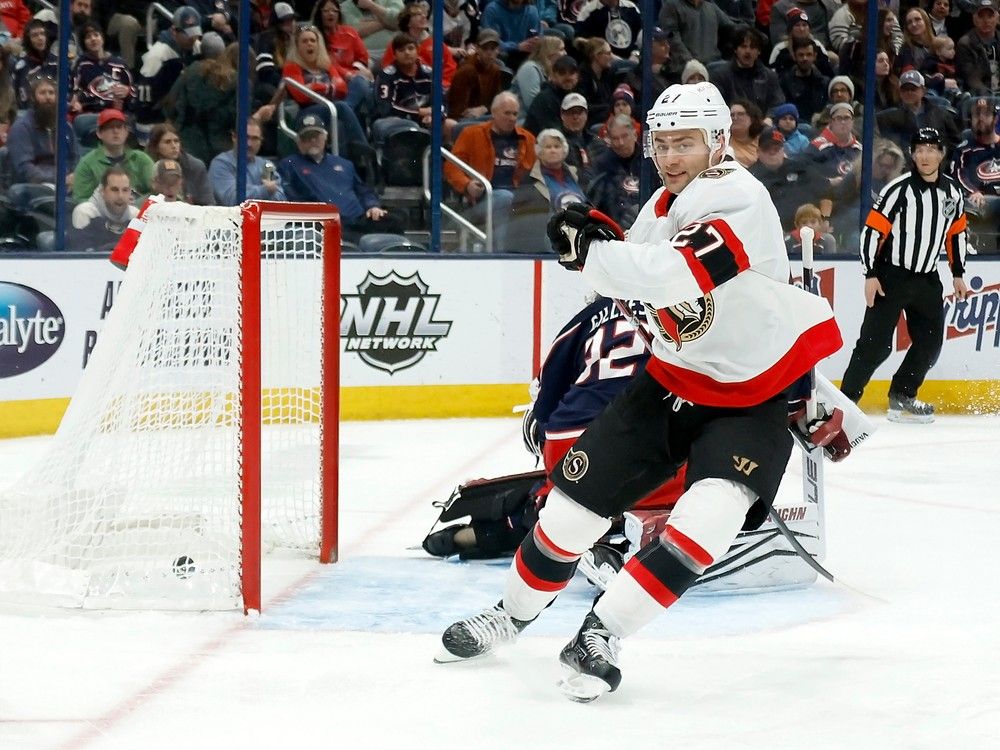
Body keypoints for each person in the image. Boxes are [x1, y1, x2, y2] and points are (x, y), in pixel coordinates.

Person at [436, 82, 842, 702]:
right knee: (567, 515)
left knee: (708, 522)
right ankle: (510, 616)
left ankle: (601, 634)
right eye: (663, 144)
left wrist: (592, 254)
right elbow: (639, 283)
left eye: (686, 143)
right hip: (669, 384)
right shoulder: (659, 205)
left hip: (750, 396)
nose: (671, 156)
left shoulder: (740, 197)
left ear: (716, 143)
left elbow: (674, 274)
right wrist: (600, 240)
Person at [839, 128, 970, 423]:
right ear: (912, 154)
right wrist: (870, 273)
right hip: (891, 276)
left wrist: (958, 273)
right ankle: (845, 402)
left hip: (927, 278)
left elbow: (956, 234)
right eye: (919, 149)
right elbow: (872, 232)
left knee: (930, 342)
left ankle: (903, 394)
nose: (924, 155)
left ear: (941, 154)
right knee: (874, 345)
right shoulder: (898, 190)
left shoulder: (952, 193)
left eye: (931, 149)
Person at [278, 112, 406, 243]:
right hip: (323, 223)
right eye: (307, 137)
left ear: (325, 137)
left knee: (396, 220)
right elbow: (289, 196)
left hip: (357, 220)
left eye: (316, 136)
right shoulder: (289, 165)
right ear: (298, 141)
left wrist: (372, 206)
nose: (312, 141)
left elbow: (363, 191)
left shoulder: (345, 164)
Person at [444, 91, 536, 252]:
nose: (512, 118)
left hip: (519, 199)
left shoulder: (527, 139)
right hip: (483, 199)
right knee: (505, 198)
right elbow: (452, 166)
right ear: (493, 113)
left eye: (515, 114)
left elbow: (536, 171)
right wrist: (467, 185)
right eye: (507, 113)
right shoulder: (472, 134)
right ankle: (501, 255)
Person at [949, 98, 1000, 253]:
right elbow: (958, 175)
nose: (980, 119)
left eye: (985, 114)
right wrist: (974, 191)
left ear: (995, 118)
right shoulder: (964, 150)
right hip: (980, 203)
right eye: (976, 115)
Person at [72, 109, 154, 203]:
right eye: (109, 127)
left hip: (137, 211)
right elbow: (80, 199)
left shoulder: (142, 159)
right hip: (101, 214)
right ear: (99, 133)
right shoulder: (87, 163)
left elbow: (157, 189)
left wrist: (136, 204)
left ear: (126, 132)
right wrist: (108, 203)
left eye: (119, 127)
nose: (115, 131)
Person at [208, 118, 286, 205]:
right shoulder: (221, 164)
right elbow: (232, 199)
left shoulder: (266, 165)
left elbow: (281, 200)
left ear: (261, 141)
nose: (249, 144)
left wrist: (256, 191)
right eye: (245, 137)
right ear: (234, 137)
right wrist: (265, 190)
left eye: (255, 138)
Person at [585, 113, 641, 228]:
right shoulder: (601, 165)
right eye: (615, 138)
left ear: (635, 135)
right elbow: (593, 201)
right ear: (609, 140)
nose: (621, 143)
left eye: (625, 136)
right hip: (614, 226)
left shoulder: (649, 161)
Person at [68, 165, 138, 252]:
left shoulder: (135, 215)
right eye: (114, 190)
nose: (120, 196)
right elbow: (81, 255)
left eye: (125, 190)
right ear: (103, 192)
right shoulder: (85, 212)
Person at [146, 123, 214, 206]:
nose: (174, 146)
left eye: (176, 141)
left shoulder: (195, 166)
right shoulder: (146, 163)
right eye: (167, 142)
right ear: (156, 146)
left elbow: (208, 203)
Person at [447, 28, 504, 120]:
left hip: (484, 116)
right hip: (464, 120)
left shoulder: (495, 70)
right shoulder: (467, 70)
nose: (489, 53)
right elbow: (457, 110)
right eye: (485, 48)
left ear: (498, 50)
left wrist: (484, 108)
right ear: (477, 49)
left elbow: (497, 101)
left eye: (493, 48)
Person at [955, 0, 1000, 96]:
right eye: (981, 16)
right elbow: (972, 80)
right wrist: (993, 96)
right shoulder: (965, 43)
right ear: (974, 18)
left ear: (997, 18)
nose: (986, 20)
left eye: (990, 16)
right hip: (977, 94)